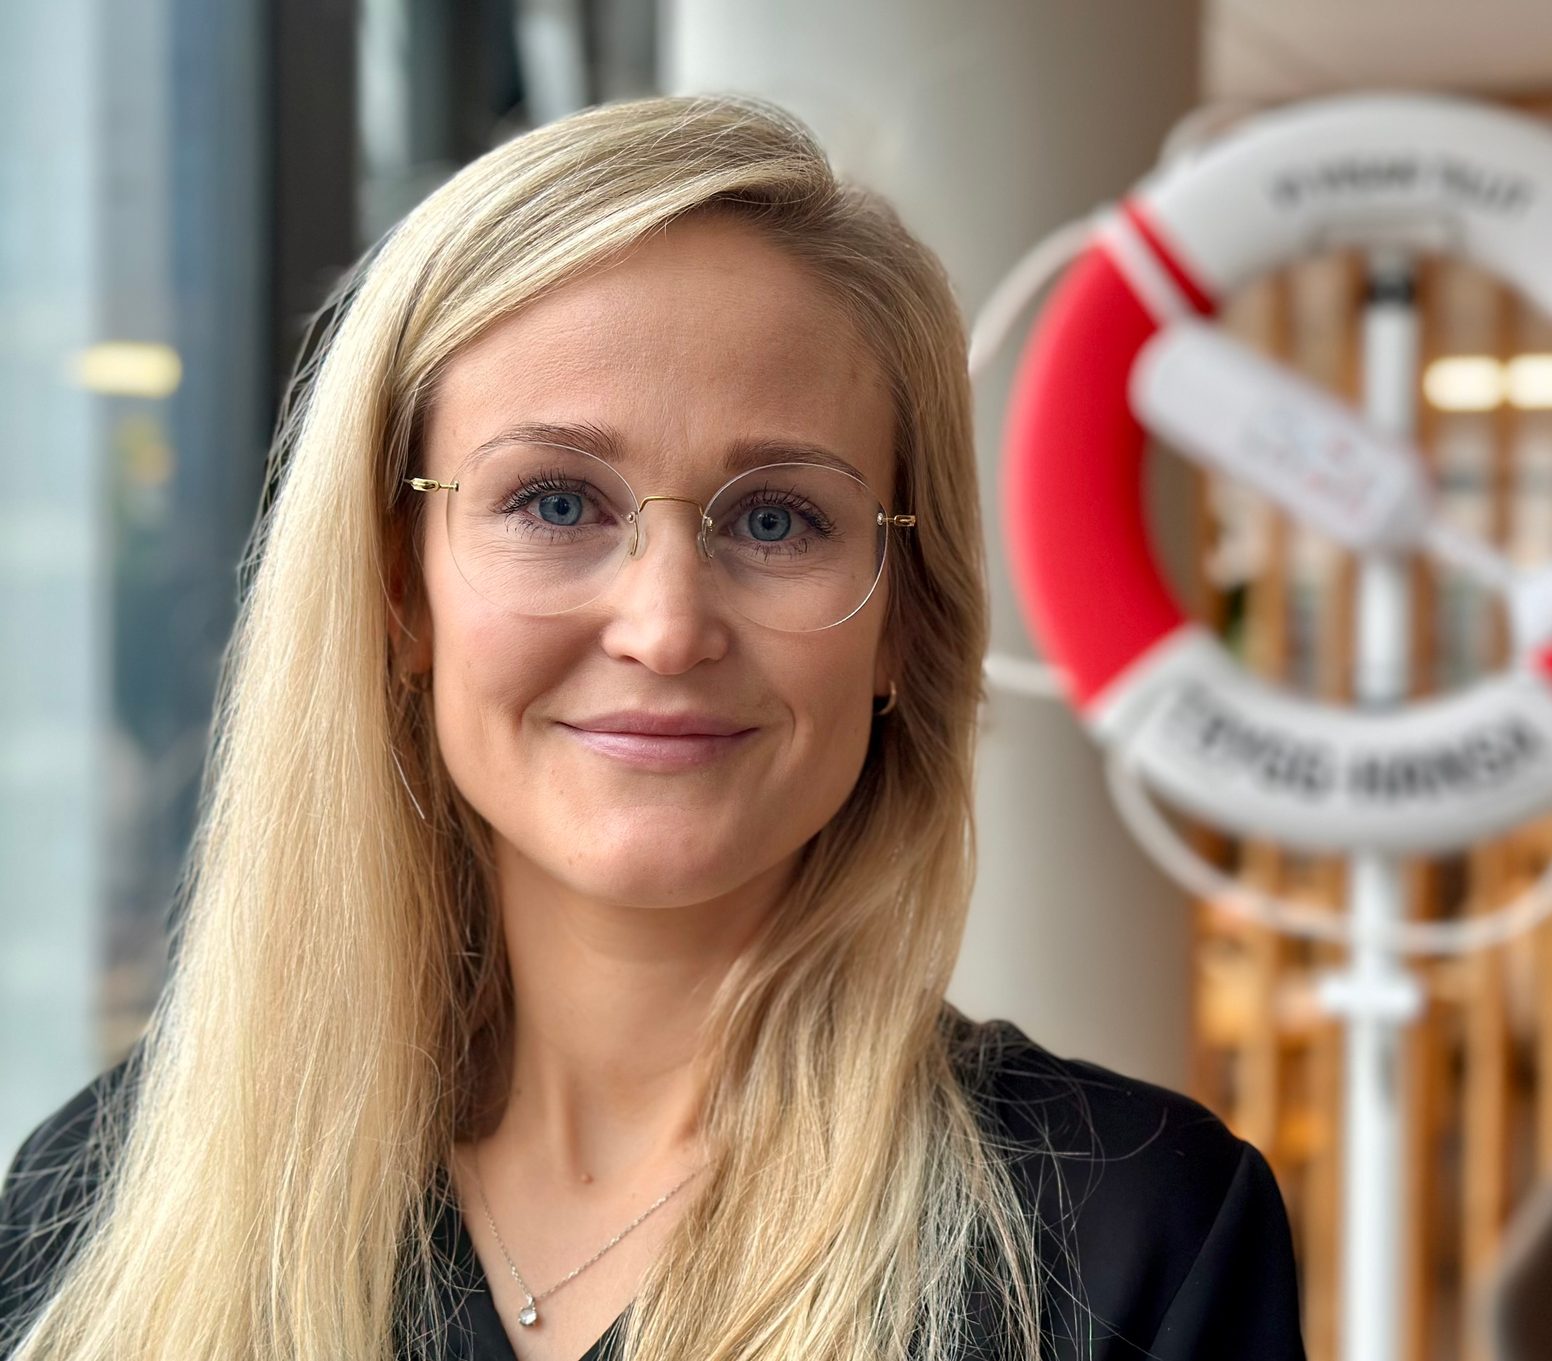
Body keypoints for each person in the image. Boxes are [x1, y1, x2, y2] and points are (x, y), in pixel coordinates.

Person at [0, 94, 1306, 1361]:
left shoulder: (1134, 1239)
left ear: (902, 618)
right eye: (559, 502)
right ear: (399, 590)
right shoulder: (110, 1199)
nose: (667, 627)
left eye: (778, 517)